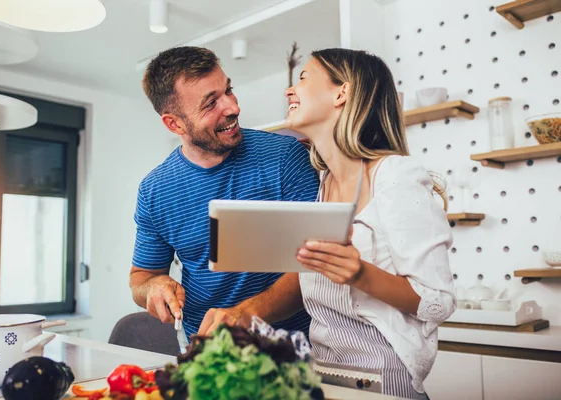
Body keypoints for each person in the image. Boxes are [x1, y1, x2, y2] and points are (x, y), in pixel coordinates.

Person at [211, 48, 456, 399]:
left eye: (304, 78)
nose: (289, 90)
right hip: (322, 374)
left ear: (341, 93)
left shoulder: (396, 175)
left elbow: (438, 301)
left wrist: (360, 274)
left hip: (384, 378)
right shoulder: (324, 183)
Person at [129, 46, 319, 349]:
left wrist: (247, 314)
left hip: (292, 346)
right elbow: (141, 277)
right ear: (174, 124)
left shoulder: (286, 157)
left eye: (228, 90)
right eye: (210, 104)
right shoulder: (154, 190)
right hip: (205, 348)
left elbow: (316, 265)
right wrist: (154, 286)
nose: (232, 107)